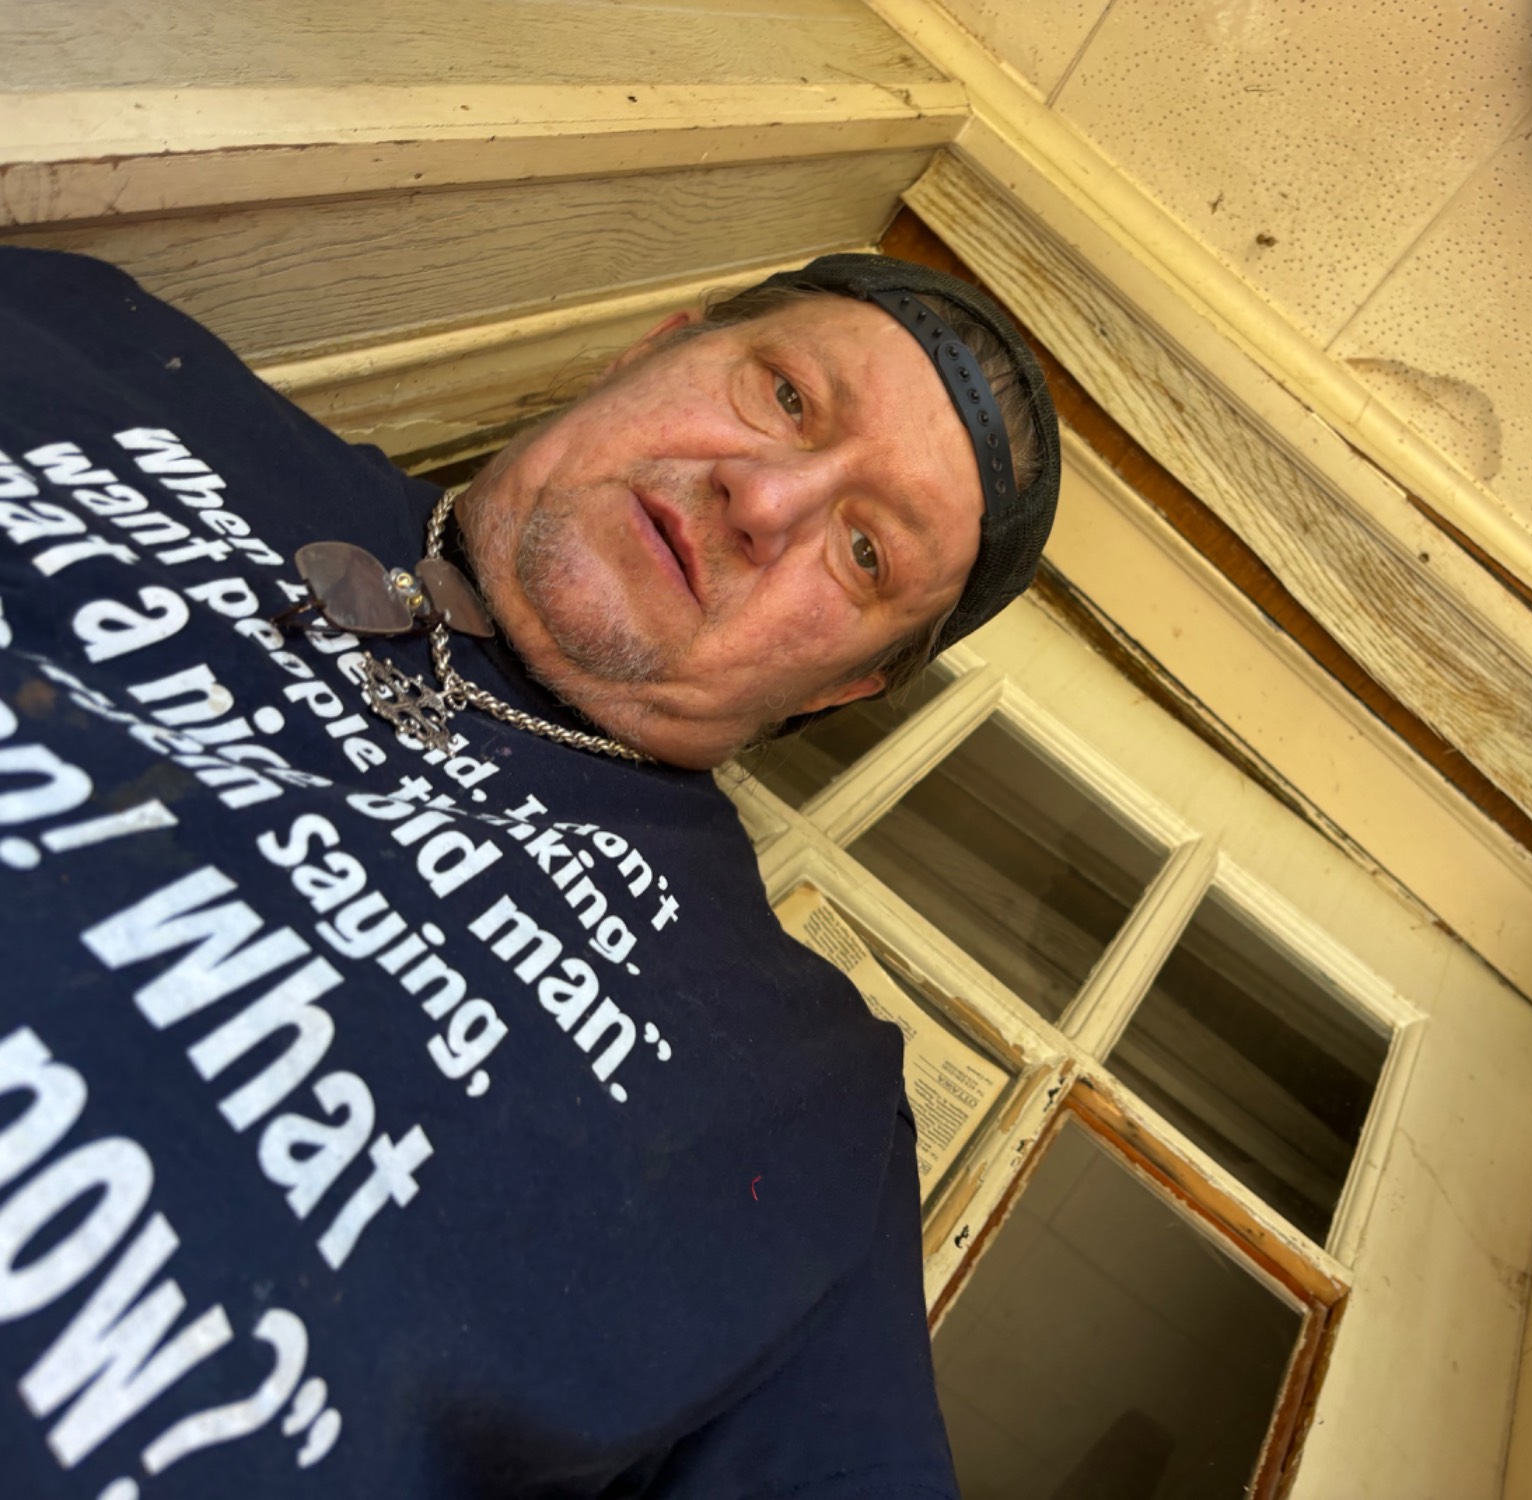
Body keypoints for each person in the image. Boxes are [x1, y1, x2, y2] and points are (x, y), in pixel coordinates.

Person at [0, 243, 1059, 1498]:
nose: (766, 501)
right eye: (785, 395)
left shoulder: (812, 1114)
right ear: (650, 350)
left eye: (866, 551)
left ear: (843, 687)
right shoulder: (90, 339)